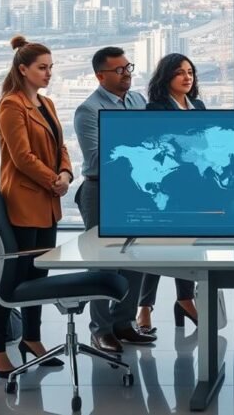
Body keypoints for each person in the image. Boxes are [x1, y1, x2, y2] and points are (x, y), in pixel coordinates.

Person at [0, 35, 72, 378]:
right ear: (23, 69)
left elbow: (61, 146)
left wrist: (65, 173)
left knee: (38, 275)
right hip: (23, 201)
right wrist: (53, 180)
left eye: (51, 67)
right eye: (42, 68)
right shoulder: (11, 106)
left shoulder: (46, 103)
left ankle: (32, 339)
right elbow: (22, 157)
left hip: (48, 202)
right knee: (13, 279)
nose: (49, 73)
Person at [73, 47, 157, 354]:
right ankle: (101, 330)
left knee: (136, 258)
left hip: (135, 189)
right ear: (100, 76)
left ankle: (124, 323)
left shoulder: (137, 101)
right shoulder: (89, 110)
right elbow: (96, 159)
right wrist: (136, 149)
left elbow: (151, 141)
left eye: (128, 67)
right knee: (103, 262)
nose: (126, 74)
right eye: (119, 70)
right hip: (101, 190)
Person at [137, 53, 205, 331]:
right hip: (167, 187)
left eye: (190, 72)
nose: (187, 77)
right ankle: (144, 307)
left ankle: (185, 300)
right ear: (166, 77)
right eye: (180, 72)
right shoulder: (155, 109)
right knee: (158, 247)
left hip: (194, 186)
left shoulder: (198, 106)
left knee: (188, 246)